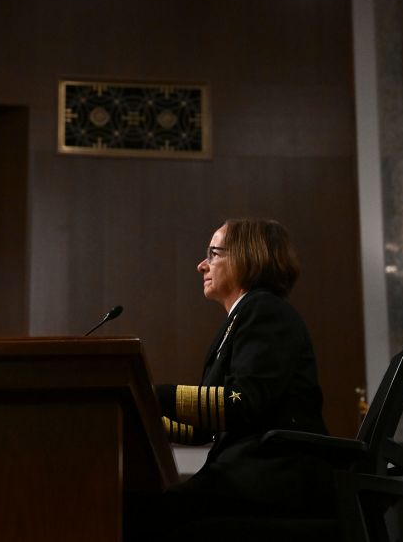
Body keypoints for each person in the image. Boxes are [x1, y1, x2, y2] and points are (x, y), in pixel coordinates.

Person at [125, 218, 334, 540]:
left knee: (136, 517)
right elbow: (206, 426)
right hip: (255, 475)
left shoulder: (263, 310)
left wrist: (150, 395)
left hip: (272, 477)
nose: (201, 265)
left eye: (213, 254)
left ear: (247, 256)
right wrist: (142, 420)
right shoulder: (245, 316)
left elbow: (242, 402)